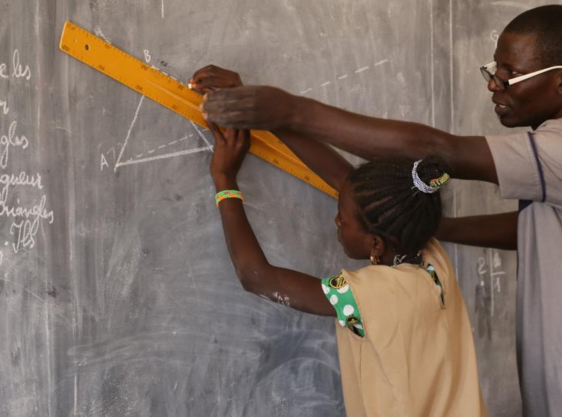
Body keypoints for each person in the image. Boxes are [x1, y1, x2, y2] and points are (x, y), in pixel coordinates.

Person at [192, 4, 562, 416]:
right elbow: (354, 187)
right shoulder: (430, 262)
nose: (495, 85)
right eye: (494, 72)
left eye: (510, 75)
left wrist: (272, 130)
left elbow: (435, 149)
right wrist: (270, 122)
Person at [203, 115, 487, 416]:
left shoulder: (370, 295)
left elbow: (257, 277)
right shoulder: (431, 257)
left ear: (376, 244)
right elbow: (348, 183)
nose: (337, 221)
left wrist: (224, 179)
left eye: (344, 219)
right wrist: (271, 118)